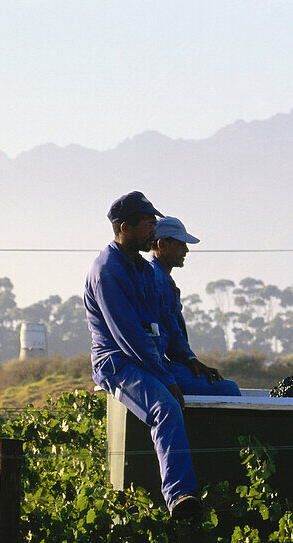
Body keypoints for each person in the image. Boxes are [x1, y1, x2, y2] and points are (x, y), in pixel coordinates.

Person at [84, 191, 202, 519]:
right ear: (126, 227)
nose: (154, 231)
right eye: (149, 224)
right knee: (165, 405)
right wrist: (165, 378)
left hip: (151, 360)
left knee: (220, 391)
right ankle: (180, 495)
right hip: (117, 362)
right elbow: (129, 336)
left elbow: (162, 321)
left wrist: (188, 361)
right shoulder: (108, 271)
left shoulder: (145, 270)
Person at [147, 216, 241, 397]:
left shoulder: (161, 278)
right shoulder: (156, 279)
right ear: (162, 246)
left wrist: (190, 360)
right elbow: (170, 326)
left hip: (160, 364)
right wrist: (188, 358)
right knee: (229, 389)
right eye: (181, 244)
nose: (186, 250)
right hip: (156, 366)